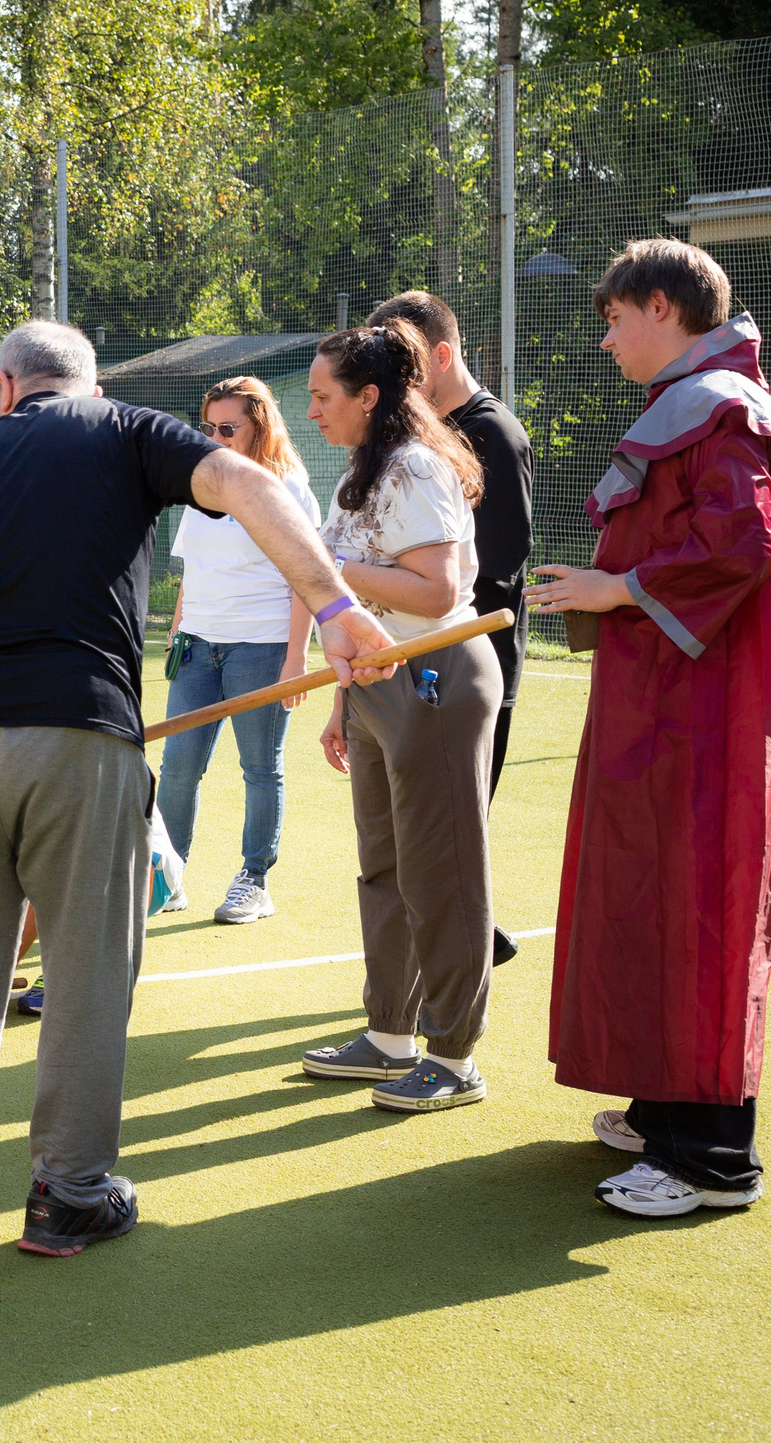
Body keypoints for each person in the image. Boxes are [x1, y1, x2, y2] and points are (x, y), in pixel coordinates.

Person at [0, 320, 395, 1257]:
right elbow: (248, 482)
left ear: (7, 387)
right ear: (83, 385)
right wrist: (335, 606)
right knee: (87, 971)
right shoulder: (126, 429)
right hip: (80, 730)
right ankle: (69, 1191)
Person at [525, 239, 771, 1217]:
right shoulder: (695, 409)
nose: (606, 342)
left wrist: (617, 586)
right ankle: (664, 1109)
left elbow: (744, 547)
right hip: (665, 708)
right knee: (653, 895)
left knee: (698, 901)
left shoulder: (727, 414)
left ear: (660, 307)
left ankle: (711, 1160)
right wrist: (599, 591)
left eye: (613, 320)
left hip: (707, 720)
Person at [297, 320, 502, 1113]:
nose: (313, 409)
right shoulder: (363, 465)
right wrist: (343, 698)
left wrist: (320, 566)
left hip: (436, 678)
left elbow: (434, 592)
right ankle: (390, 1033)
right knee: (382, 865)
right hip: (378, 684)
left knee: (441, 871)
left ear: (368, 395)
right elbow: (359, 606)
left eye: (323, 395)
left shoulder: (415, 465)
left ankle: (454, 1056)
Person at [365, 290, 532, 969]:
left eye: (404, 365)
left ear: (439, 355)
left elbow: (497, 562)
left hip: (468, 661)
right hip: (417, 658)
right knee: (421, 835)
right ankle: (462, 949)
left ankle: (454, 995)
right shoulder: (412, 439)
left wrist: (391, 576)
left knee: (449, 833)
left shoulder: (491, 433)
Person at [156, 376, 319, 926]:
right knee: (177, 766)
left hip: (263, 647)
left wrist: (297, 656)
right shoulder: (202, 486)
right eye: (209, 428)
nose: (217, 438)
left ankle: (255, 879)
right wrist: (179, 634)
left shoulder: (289, 487)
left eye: (230, 428)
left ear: (261, 427)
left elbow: (306, 577)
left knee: (259, 768)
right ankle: (168, 878)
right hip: (199, 649)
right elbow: (190, 573)